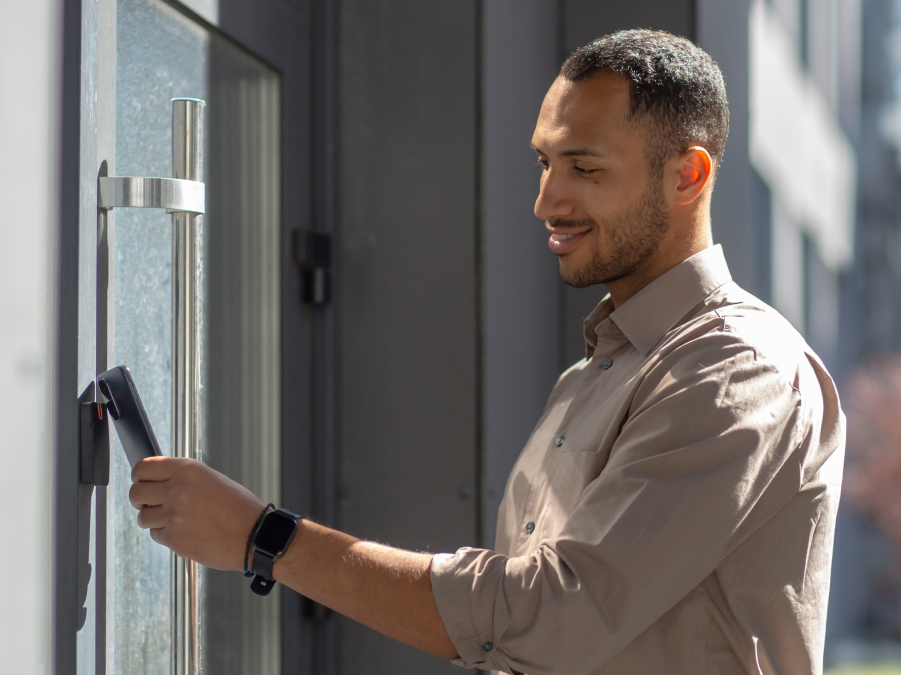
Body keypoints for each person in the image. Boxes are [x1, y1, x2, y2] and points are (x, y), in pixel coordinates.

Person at [129, 29, 844, 674]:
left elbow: (554, 616)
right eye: (543, 162)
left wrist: (267, 539)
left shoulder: (736, 369)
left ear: (687, 175)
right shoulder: (592, 375)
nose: (546, 200)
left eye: (584, 169)